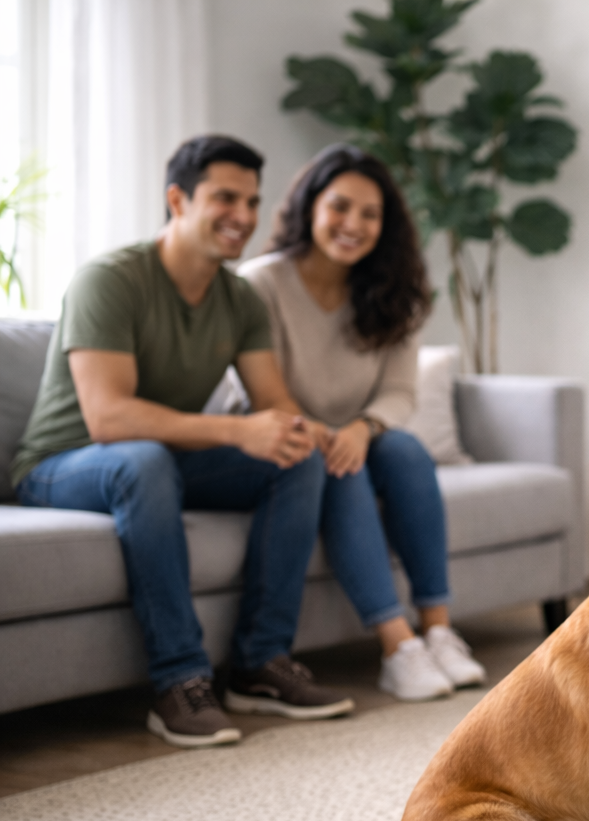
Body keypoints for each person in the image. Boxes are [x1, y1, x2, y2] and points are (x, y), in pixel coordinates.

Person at [11, 135, 355, 748]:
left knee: (292, 462)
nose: (243, 216)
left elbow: (275, 407)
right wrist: (237, 430)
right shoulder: (109, 280)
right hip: (59, 469)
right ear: (177, 198)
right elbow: (109, 419)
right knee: (142, 462)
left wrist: (326, 432)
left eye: (251, 201)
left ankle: (260, 664)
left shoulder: (238, 298)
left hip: (159, 462)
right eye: (225, 197)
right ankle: (180, 682)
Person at [240, 144, 485, 701]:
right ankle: (397, 646)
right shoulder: (261, 284)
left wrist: (360, 429)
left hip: (354, 435)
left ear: (386, 225)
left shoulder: (392, 293)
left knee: (404, 451)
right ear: (309, 208)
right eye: (339, 207)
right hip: (285, 440)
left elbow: (400, 391)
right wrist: (333, 437)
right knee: (339, 465)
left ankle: (439, 631)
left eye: (369, 214)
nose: (353, 224)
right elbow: (258, 392)